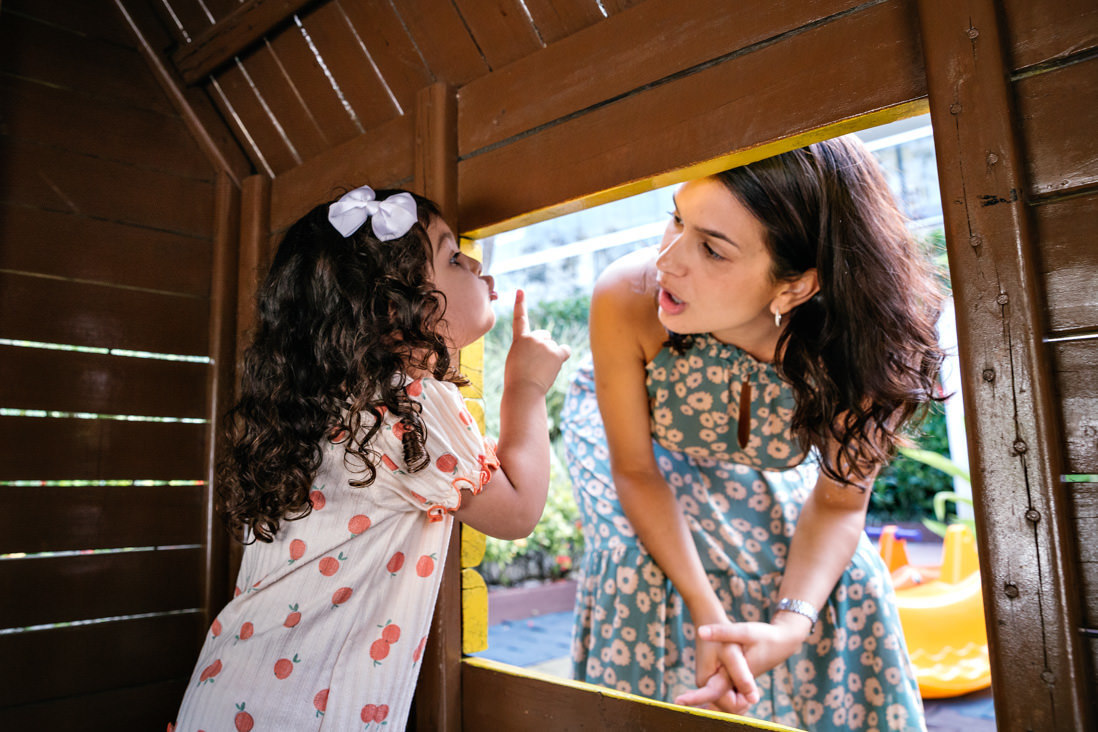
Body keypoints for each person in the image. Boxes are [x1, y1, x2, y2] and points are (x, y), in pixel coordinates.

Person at [562, 136, 943, 730]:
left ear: (794, 287)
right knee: (637, 567)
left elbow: (839, 505)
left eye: (712, 249)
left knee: (854, 579)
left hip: (751, 451)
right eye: (676, 219)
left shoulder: (860, 353)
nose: (666, 261)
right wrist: (707, 615)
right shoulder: (628, 296)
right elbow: (635, 471)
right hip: (634, 430)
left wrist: (790, 627)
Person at [173, 185, 570, 731]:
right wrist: (526, 385)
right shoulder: (406, 407)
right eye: (453, 257)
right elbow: (518, 510)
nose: (476, 263)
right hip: (303, 714)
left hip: (229, 691)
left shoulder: (318, 407)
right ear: (393, 309)